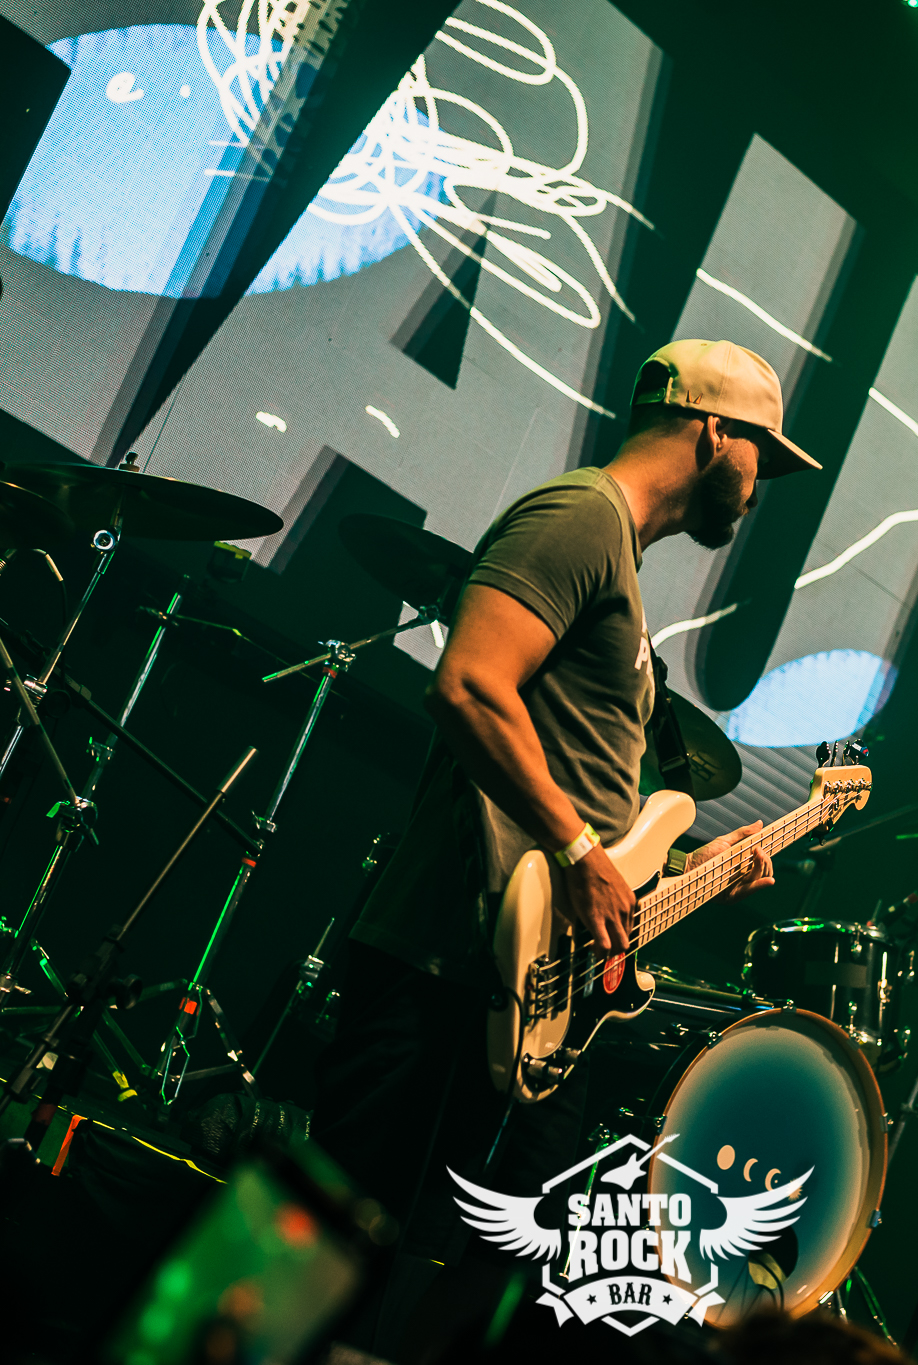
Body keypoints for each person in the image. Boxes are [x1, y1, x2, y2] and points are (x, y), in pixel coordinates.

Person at [311, 339, 821, 1360]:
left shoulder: (618, 563)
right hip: (443, 966)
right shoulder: (577, 516)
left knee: (491, 1293)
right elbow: (467, 683)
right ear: (711, 432)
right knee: (322, 1261)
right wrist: (582, 847)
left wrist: (692, 870)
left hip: (534, 997)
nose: (760, 484)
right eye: (759, 453)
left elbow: (592, 828)